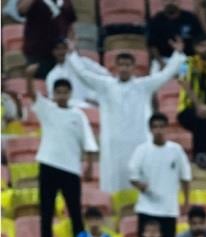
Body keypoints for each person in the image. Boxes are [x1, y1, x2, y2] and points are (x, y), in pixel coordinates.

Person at [66, 38, 186, 192]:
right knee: (114, 181)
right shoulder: (105, 85)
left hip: (138, 140)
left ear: (134, 67)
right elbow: (83, 74)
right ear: (115, 67)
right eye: (121, 65)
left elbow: (165, 75)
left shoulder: (143, 86)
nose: (124, 68)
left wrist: (178, 54)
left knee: (139, 177)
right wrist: (72, 54)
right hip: (113, 142)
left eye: (127, 65)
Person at [24, 66, 97, 237]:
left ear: (70, 94)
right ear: (53, 93)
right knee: (46, 211)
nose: (61, 96)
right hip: (48, 164)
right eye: (58, 92)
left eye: (65, 92)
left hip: (71, 169)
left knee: (74, 211)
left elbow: (88, 142)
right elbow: (32, 94)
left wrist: (88, 165)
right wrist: (29, 76)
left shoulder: (78, 115)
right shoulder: (46, 109)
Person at [129, 113, 192, 237]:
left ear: (167, 128)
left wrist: (186, 201)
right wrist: (141, 185)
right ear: (150, 129)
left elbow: (185, 177)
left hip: (169, 209)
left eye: (161, 126)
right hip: (146, 208)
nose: (158, 130)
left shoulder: (176, 150)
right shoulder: (142, 150)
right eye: (155, 127)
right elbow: (132, 176)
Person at [177, 34, 206, 169]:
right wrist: (198, 105)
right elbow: (182, 81)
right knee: (201, 122)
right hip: (186, 109)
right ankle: (200, 155)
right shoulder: (185, 63)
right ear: (196, 48)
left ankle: (205, 158)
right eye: (202, 46)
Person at [17, 0, 75, 78]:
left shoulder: (65, 2)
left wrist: (71, 42)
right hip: (37, 53)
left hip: (60, 53)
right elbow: (21, 10)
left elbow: (70, 25)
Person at [44, 38, 107, 108]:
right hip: (67, 109)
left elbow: (105, 76)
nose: (61, 52)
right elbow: (53, 98)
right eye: (58, 49)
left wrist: (97, 98)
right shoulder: (52, 75)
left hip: (91, 106)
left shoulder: (84, 62)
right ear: (53, 52)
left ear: (68, 49)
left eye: (63, 48)